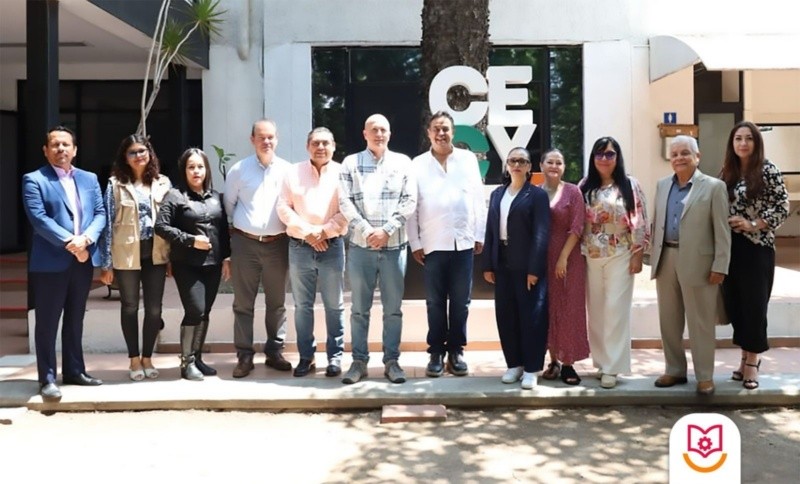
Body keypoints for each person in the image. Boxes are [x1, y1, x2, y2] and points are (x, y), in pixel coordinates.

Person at [22, 126, 107, 401]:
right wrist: (73, 243)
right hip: (50, 264)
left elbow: (100, 213)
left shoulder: (89, 178)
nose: (61, 149)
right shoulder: (34, 180)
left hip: (82, 261)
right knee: (47, 322)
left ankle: (74, 371)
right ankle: (47, 378)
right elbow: (39, 219)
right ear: (46, 151)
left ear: (75, 149)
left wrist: (87, 240)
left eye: (66, 144)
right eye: (55, 145)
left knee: (75, 319)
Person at [338, 114, 417, 384]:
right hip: (361, 248)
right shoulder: (350, 163)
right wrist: (367, 231)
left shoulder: (403, 163)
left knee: (392, 310)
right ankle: (358, 362)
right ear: (365, 134)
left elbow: (410, 200)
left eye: (383, 130)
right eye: (374, 130)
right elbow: (345, 202)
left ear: (390, 134)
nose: (379, 134)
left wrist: (387, 230)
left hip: (394, 247)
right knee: (359, 310)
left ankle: (392, 362)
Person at [407, 111, 487, 377]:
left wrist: (479, 234)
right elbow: (412, 206)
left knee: (461, 302)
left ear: (453, 132)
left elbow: (478, 199)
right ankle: (436, 352)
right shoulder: (418, 164)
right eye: (436, 129)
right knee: (435, 302)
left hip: (463, 242)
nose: (441, 133)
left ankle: (456, 350)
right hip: (432, 242)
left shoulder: (467, 160)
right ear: (429, 133)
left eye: (445, 129)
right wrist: (415, 241)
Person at [650, 136, 731, 395]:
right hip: (666, 259)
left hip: (700, 264)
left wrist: (720, 265)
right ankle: (674, 370)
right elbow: (657, 223)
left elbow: (722, 230)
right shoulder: (663, 185)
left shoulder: (714, 187)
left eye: (685, 153)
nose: (679, 158)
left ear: (697, 156)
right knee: (669, 321)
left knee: (700, 322)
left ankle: (705, 376)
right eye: (674, 154)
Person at [719, 121, 789, 390]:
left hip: (757, 247)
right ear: (732, 143)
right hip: (730, 247)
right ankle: (743, 357)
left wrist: (753, 224)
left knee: (755, 305)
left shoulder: (768, 170)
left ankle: (753, 361)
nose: (743, 143)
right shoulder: (728, 171)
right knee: (736, 304)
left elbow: (782, 206)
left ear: (757, 142)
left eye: (748, 138)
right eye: (738, 138)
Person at [224, 119, 293, 378]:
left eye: (270, 137)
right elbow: (229, 207)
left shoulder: (288, 171)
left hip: (278, 244)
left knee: (277, 302)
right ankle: (244, 355)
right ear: (252, 139)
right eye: (261, 137)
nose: (266, 141)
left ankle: (275, 351)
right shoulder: (238, 170)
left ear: (277, 139)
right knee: (243, 303)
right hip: (245, 244)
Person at [277, 128, 348, 378]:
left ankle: (335, 357)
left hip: (332, 246)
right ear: (308, 146)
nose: (320, 147)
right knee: (303, 306)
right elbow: (283, 207)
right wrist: (308, 232)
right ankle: (306, 357)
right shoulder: (292, 172)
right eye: (315, 143)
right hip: (300, 247)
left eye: (325, 143)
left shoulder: (343, 173)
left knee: (334, 305)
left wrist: (324, 233)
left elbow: (348, 209)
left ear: (333, 146)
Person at [155, 148, 231, 380]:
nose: (196, 171)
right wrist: (190, 240)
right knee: (195, 310)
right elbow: (161, 226)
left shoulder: (215, 197)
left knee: (205, 311)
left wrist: (227, 258)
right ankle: (186, 362)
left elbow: (223, 229)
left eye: (200, 166)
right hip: (186, 263)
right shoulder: (175, 196)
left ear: (206, 169)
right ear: (184, 170)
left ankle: (197, 358)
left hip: (213, 264)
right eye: (191, 167)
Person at [99, 134, 171, 382]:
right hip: (126, 252)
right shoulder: (115, 185)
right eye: (132, 152)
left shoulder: (163, 183)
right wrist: (106, 263)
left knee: (154, 309)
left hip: (156, 253)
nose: (138, 156)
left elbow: (171, 222)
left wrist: (172, 258)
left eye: (142, 151)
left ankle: (147, 357)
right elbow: (107, 225)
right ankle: (133, 359)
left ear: (150, 153)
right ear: (125, 157)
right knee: (129, 306)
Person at [580, 136, 650, 389]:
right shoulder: (585, 185)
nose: (604, 159)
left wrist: (638, 253)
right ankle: (601, 362)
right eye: (599, 154)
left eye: (610, 154)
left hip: (620, 251)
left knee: (615, 309)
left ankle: (614, 366)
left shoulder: (629, 184)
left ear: (617, 158)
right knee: (596, 310)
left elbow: (640, 219)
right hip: (591, 254)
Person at [482, 148, 550, 389]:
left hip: (527, 264)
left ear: (530, 167)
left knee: (531, 317)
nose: (517, 165)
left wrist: (535, 269)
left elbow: (541, 234)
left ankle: (532, 368)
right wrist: (488, 264)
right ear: (507, 165)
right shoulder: (497, 194)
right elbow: (490, 230)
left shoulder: (537, 195)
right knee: (506, 315)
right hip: (502, 262)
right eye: (513, 160)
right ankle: (514, 364)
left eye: (522, 161)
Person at [538, 149, 589, 386]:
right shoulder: (536, 193)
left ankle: (568, 363)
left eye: (559, 162)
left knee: (569, 308)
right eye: (550, 161)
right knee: (549, 308)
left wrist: (563, 258)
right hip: (542, 259)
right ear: (541, 165)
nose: (554, 166)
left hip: (569, 259)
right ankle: (553, 361)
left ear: (564, 167)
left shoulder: (573, 192)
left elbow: (577, 227)